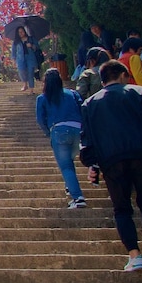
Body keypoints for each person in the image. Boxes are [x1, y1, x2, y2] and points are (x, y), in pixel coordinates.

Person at [80, 60, 142, 272]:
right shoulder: (139, 93)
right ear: (122, 75)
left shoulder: (90, 103)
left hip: (111, 160)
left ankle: (135, 255)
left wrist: (92, 164)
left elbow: (87, 138)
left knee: (121, 209)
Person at [36, 68, 87, 209]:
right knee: (69, 163)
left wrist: (48, 132)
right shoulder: (72, 93)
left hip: (59, 131)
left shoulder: (43, 98)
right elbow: (83, 109)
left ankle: (78, 197)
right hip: (78, 130)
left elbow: (40, 119)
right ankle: (70, 188)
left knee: (66, 166)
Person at [12, 26, 38, 92]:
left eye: (22, 31)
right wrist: (14, 60)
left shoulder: (31, 39)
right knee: (21, 71)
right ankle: (25, 84)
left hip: (30, 58)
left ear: (25, 31)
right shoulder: (16, 42)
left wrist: (31, 46)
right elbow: (13, 51)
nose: (21, 33)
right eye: (19, 32)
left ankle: (31, 89)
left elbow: (37, 47)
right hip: (20, 58)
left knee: (30, 72)